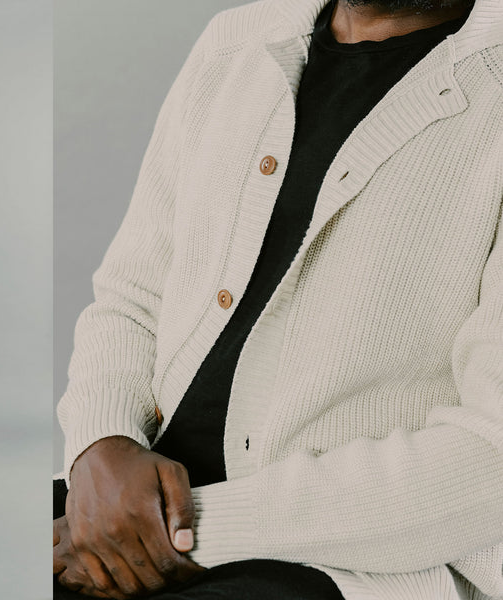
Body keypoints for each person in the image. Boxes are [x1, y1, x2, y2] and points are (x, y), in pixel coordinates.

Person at [54, 0, 503, 599]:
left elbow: (491, 456)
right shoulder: (234, 44)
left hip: (357, 561)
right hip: (144, 490)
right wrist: (100, 446)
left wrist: (178, 532)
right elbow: (132, 295)